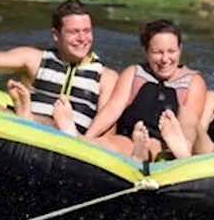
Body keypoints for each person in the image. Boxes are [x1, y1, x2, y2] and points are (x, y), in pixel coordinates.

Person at [0, 0, 117, 136]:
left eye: (87, 31)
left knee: (55, 124)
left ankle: (27, 115)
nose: (82, 39)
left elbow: (105, 132)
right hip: (25, 131)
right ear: (56, 35)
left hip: (70, 137)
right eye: (74, 32)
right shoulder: (36, 59)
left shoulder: (105, 77)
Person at [82, 19, 207, 162]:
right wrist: (88, 137)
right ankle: (138, 153)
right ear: (146, 52)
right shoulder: (133, 73)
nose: (165, 59)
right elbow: (113, 108)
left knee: (186, 114)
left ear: (180, 49)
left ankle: (181, 152)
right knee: (107, 143)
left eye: (171, 51)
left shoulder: (193, 81)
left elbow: (191, 122)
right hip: (130, 140)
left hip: (167, 145)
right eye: (157, 52)